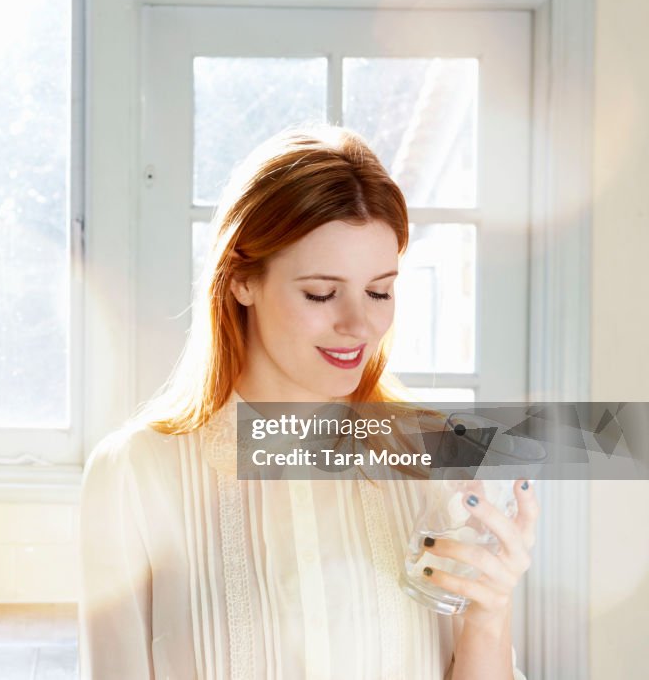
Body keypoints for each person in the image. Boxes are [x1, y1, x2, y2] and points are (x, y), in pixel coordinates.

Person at [79, 126, 539, 679]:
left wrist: (489, 615)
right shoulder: (134, 473)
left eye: (379, 291)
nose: (358, 325)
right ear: (242, 280)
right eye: (321, 293)